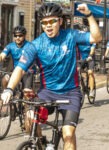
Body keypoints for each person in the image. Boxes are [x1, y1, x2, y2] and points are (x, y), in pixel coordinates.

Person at [1, 2, 102, 150]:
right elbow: (20, 69)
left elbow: (96, 38)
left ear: (60, 21)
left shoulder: (71, 36)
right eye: (44, 22)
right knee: (30, 119)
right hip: (47, 92)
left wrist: (88, 14)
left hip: (71, 93)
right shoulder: (35, 45)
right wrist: (9, 89)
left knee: (68, 134)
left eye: (52, 21)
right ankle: (41, 142)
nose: (48, 26)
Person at [0, 25, 34, 94]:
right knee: (5, 79)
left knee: (26, 93)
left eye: (20, 36)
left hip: (27, 71)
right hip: (14, 71)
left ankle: (26, 104)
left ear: (24, 36)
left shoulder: (30, 46)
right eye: (15, 36)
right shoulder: (10, 46)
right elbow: (2, 56)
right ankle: (6, 97)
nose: (17, 38)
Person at [77, 26, 97, 98]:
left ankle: (91, 90)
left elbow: (92, 49)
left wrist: (90, 55)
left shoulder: (91, 40)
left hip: (90, 58)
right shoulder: (78, 40)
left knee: (90, 72)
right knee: (77, 72)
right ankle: (81, 85)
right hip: (81, 59)